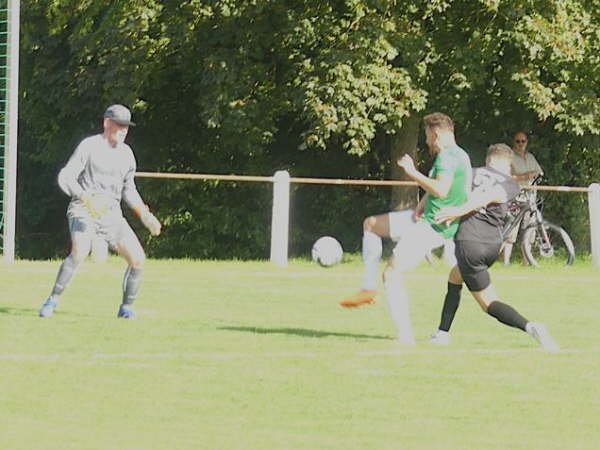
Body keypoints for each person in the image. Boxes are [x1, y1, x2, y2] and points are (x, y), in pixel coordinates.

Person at [340, 112, 472, 345]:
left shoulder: (446, 158)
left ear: (436, 133)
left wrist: (412, 172)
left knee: (392, 273)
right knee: (370, 225)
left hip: (432, 226)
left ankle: (405, 335)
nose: (427, 141)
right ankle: (368, 289)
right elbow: (451, 191)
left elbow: (442, 189)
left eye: (427, 136)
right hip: (425, 217)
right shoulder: (460, 155)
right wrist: (421, 205)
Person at [429, 143, 559, 351]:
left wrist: (454, 212)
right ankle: (442, 333)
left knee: (489, 303)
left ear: (489, 159)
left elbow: (478, 196)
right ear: (506, 163)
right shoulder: (511, 184)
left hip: (470, 243)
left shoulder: (471, 174)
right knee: (455, 276)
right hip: (492, 245)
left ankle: (531, 327)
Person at [38, 104, 161, 319]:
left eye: (126, 127)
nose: (123, 130)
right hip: (83, 209)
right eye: (119, 125)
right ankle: (52, 300)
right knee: (80, 251)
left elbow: (129, 189)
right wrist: (86, 198)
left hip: (112, 215)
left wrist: (144, 214)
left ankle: (126, 308)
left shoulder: (127, 155)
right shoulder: (89, 146)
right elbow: (66, 176)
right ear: (106, 122)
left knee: (138, 259)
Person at [503, 131, 543, 265]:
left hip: (531, 198)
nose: (520, 144)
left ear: (527, 142)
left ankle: (527, 261)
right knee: (511, 231)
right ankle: (506, 262)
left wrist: (534, 175)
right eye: (518, 141)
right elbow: (506, 176)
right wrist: (523, 177)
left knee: (529, 230)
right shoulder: (509, 157)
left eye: (523, 141)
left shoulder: (531, 157)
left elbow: (539, 172)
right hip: (516, 197)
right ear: (513, 143)